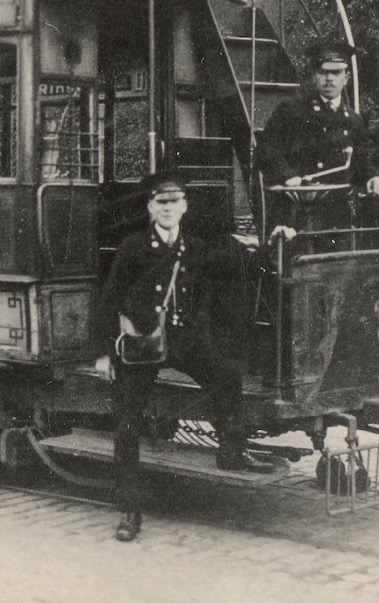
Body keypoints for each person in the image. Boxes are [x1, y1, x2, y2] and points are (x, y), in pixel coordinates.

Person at [95, 178, 274, 542]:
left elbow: (235, 267)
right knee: (128, 418)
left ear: (184, 207)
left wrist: (271, 243)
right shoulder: (133, 247)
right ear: (150, 207)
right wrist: (104, 353)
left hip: (183, 341)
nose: (167, 207)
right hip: (143, 343)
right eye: (161, 202)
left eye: (174, 202)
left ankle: (232, 452)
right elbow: (110, 298)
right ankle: (130, 509)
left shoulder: (194, 247)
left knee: (226, 375)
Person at [258, 41, 379, 236]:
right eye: (322, 72)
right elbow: (266, 149)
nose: (329, 79)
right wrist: (288, 175)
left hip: (335, 216)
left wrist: (374, 177)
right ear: (315, 76)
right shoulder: (291, 110)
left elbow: (360, 161)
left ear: (346, 78)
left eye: (336, 73)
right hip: (295, 212)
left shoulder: (353, 120)